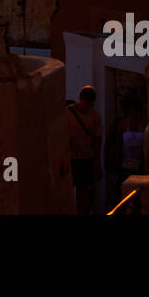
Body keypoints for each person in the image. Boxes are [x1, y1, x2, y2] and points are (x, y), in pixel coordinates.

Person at [66, 86, 102, 214]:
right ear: (81, 99)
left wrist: (96, 160)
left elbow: (97, 140)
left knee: (84, 192)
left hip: (87, 158)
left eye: (89, 103)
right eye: (85, 102)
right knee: (68, 189)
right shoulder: (67, 113)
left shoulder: (95, 118)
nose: (86, 106)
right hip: (69, 157)